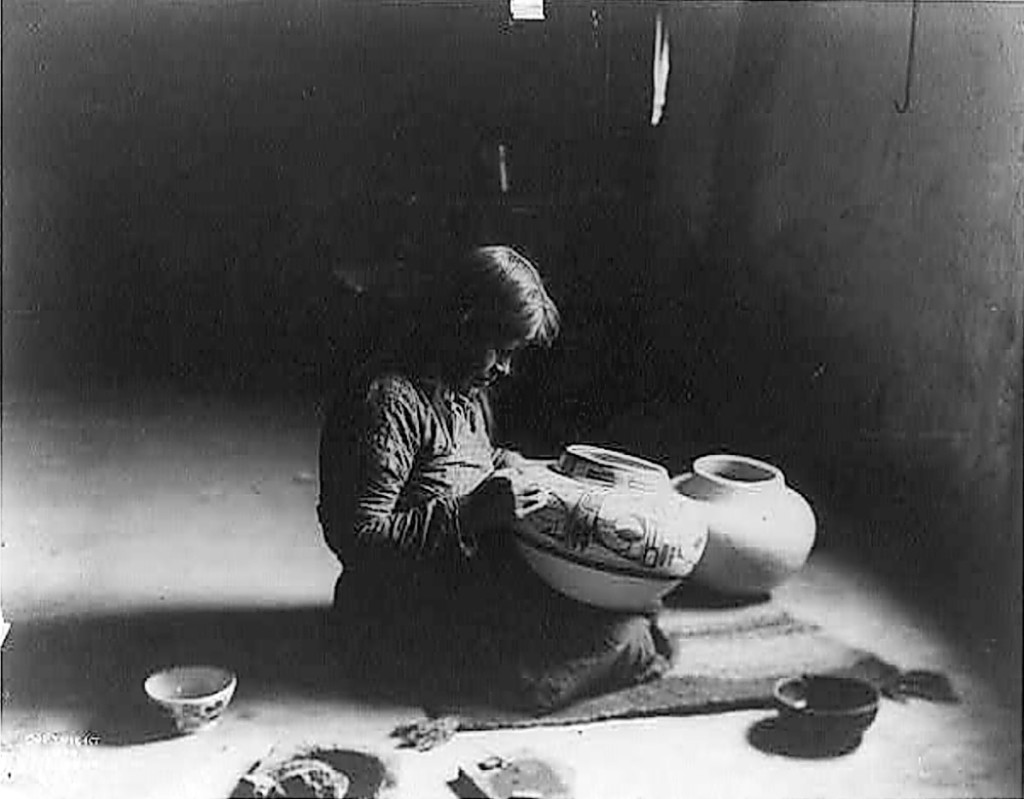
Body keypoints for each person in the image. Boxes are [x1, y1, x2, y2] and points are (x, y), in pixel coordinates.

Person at [317, 245, 672, 711]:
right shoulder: (385, 402)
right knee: (622, 640)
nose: (505, 368)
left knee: (621, 603)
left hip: (463, 583)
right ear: (461, 322)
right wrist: (471, 512)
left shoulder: (465, 389)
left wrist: (509, 463)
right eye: (500, 350)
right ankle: (518, 678)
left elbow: (459, 464)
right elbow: (357, 538)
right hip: (399, 610)